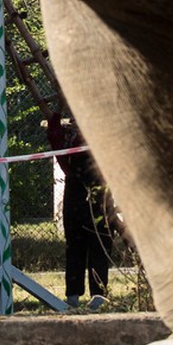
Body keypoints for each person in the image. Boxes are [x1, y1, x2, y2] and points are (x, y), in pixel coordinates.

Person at [53, 115, 117, 310]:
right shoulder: (67, 140)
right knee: (75, 246)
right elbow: (55, 140)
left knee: (99, 244)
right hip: (75, 192)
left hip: (100, 191)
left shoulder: (104, 136)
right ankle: (73, 295)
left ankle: (98, 294)